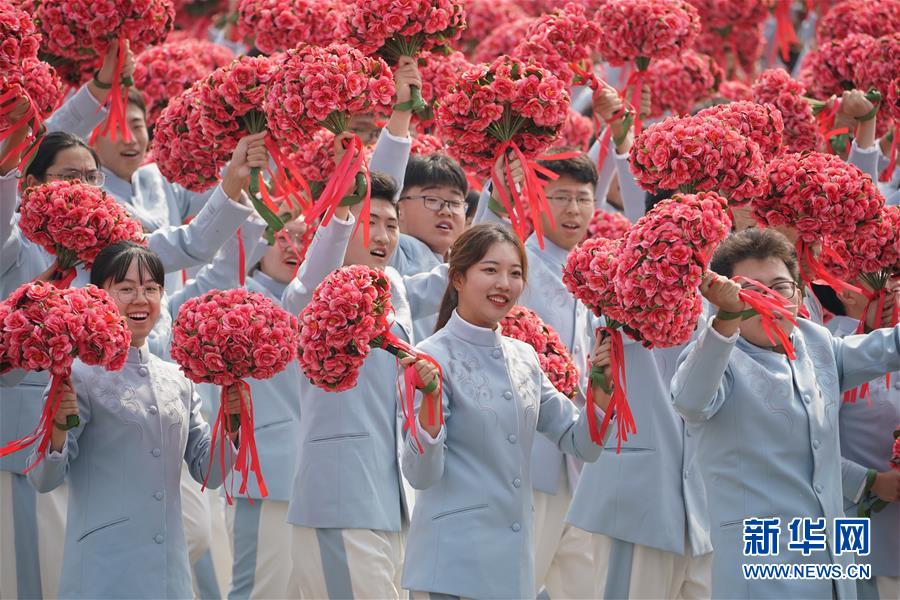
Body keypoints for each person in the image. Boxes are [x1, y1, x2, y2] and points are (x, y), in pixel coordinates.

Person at [672, 228, 900, 599]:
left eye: (780, 287)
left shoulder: (817, 343)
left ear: (797, 294)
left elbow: (888, 347)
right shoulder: (716, 357)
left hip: (833, 565)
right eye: (752, 289)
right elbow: (690, 401)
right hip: (761, 570)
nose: (769, 299)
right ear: (724, 298)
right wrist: (726, 321)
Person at [400, 223, 611, 599]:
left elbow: (581, 443)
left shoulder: (524, 356)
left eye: (515, 273)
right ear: (458, 278)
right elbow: (422, 474)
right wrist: (429, 404)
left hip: (511, 570)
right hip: (450, 567)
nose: (504, 283)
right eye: (490, 270)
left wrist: (601, 387)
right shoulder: (430, 356)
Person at [25, 242, 243, 599]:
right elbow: (44, 478)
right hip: (103, 570)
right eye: (125, 288)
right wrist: (59, 428)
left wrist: (232, 421)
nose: (140, 299)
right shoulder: (78, 374)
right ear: (99, 295)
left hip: (169, 572)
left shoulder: (179, 378)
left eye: (151, 288)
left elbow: (210, 473)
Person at [812, 283, 900, 600]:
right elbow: (803, 444)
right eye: (879, 283)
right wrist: (870, 481)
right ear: (845, 292)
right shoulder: (825, 350)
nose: (891, 292)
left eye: (896, 283)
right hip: (858, 531)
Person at [393, 153, 469, 339]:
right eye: (432, 200)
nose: (446, 211)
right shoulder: (394, 252)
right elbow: (382, 182)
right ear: (398, 208)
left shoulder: (455, 260)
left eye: (455, 202)